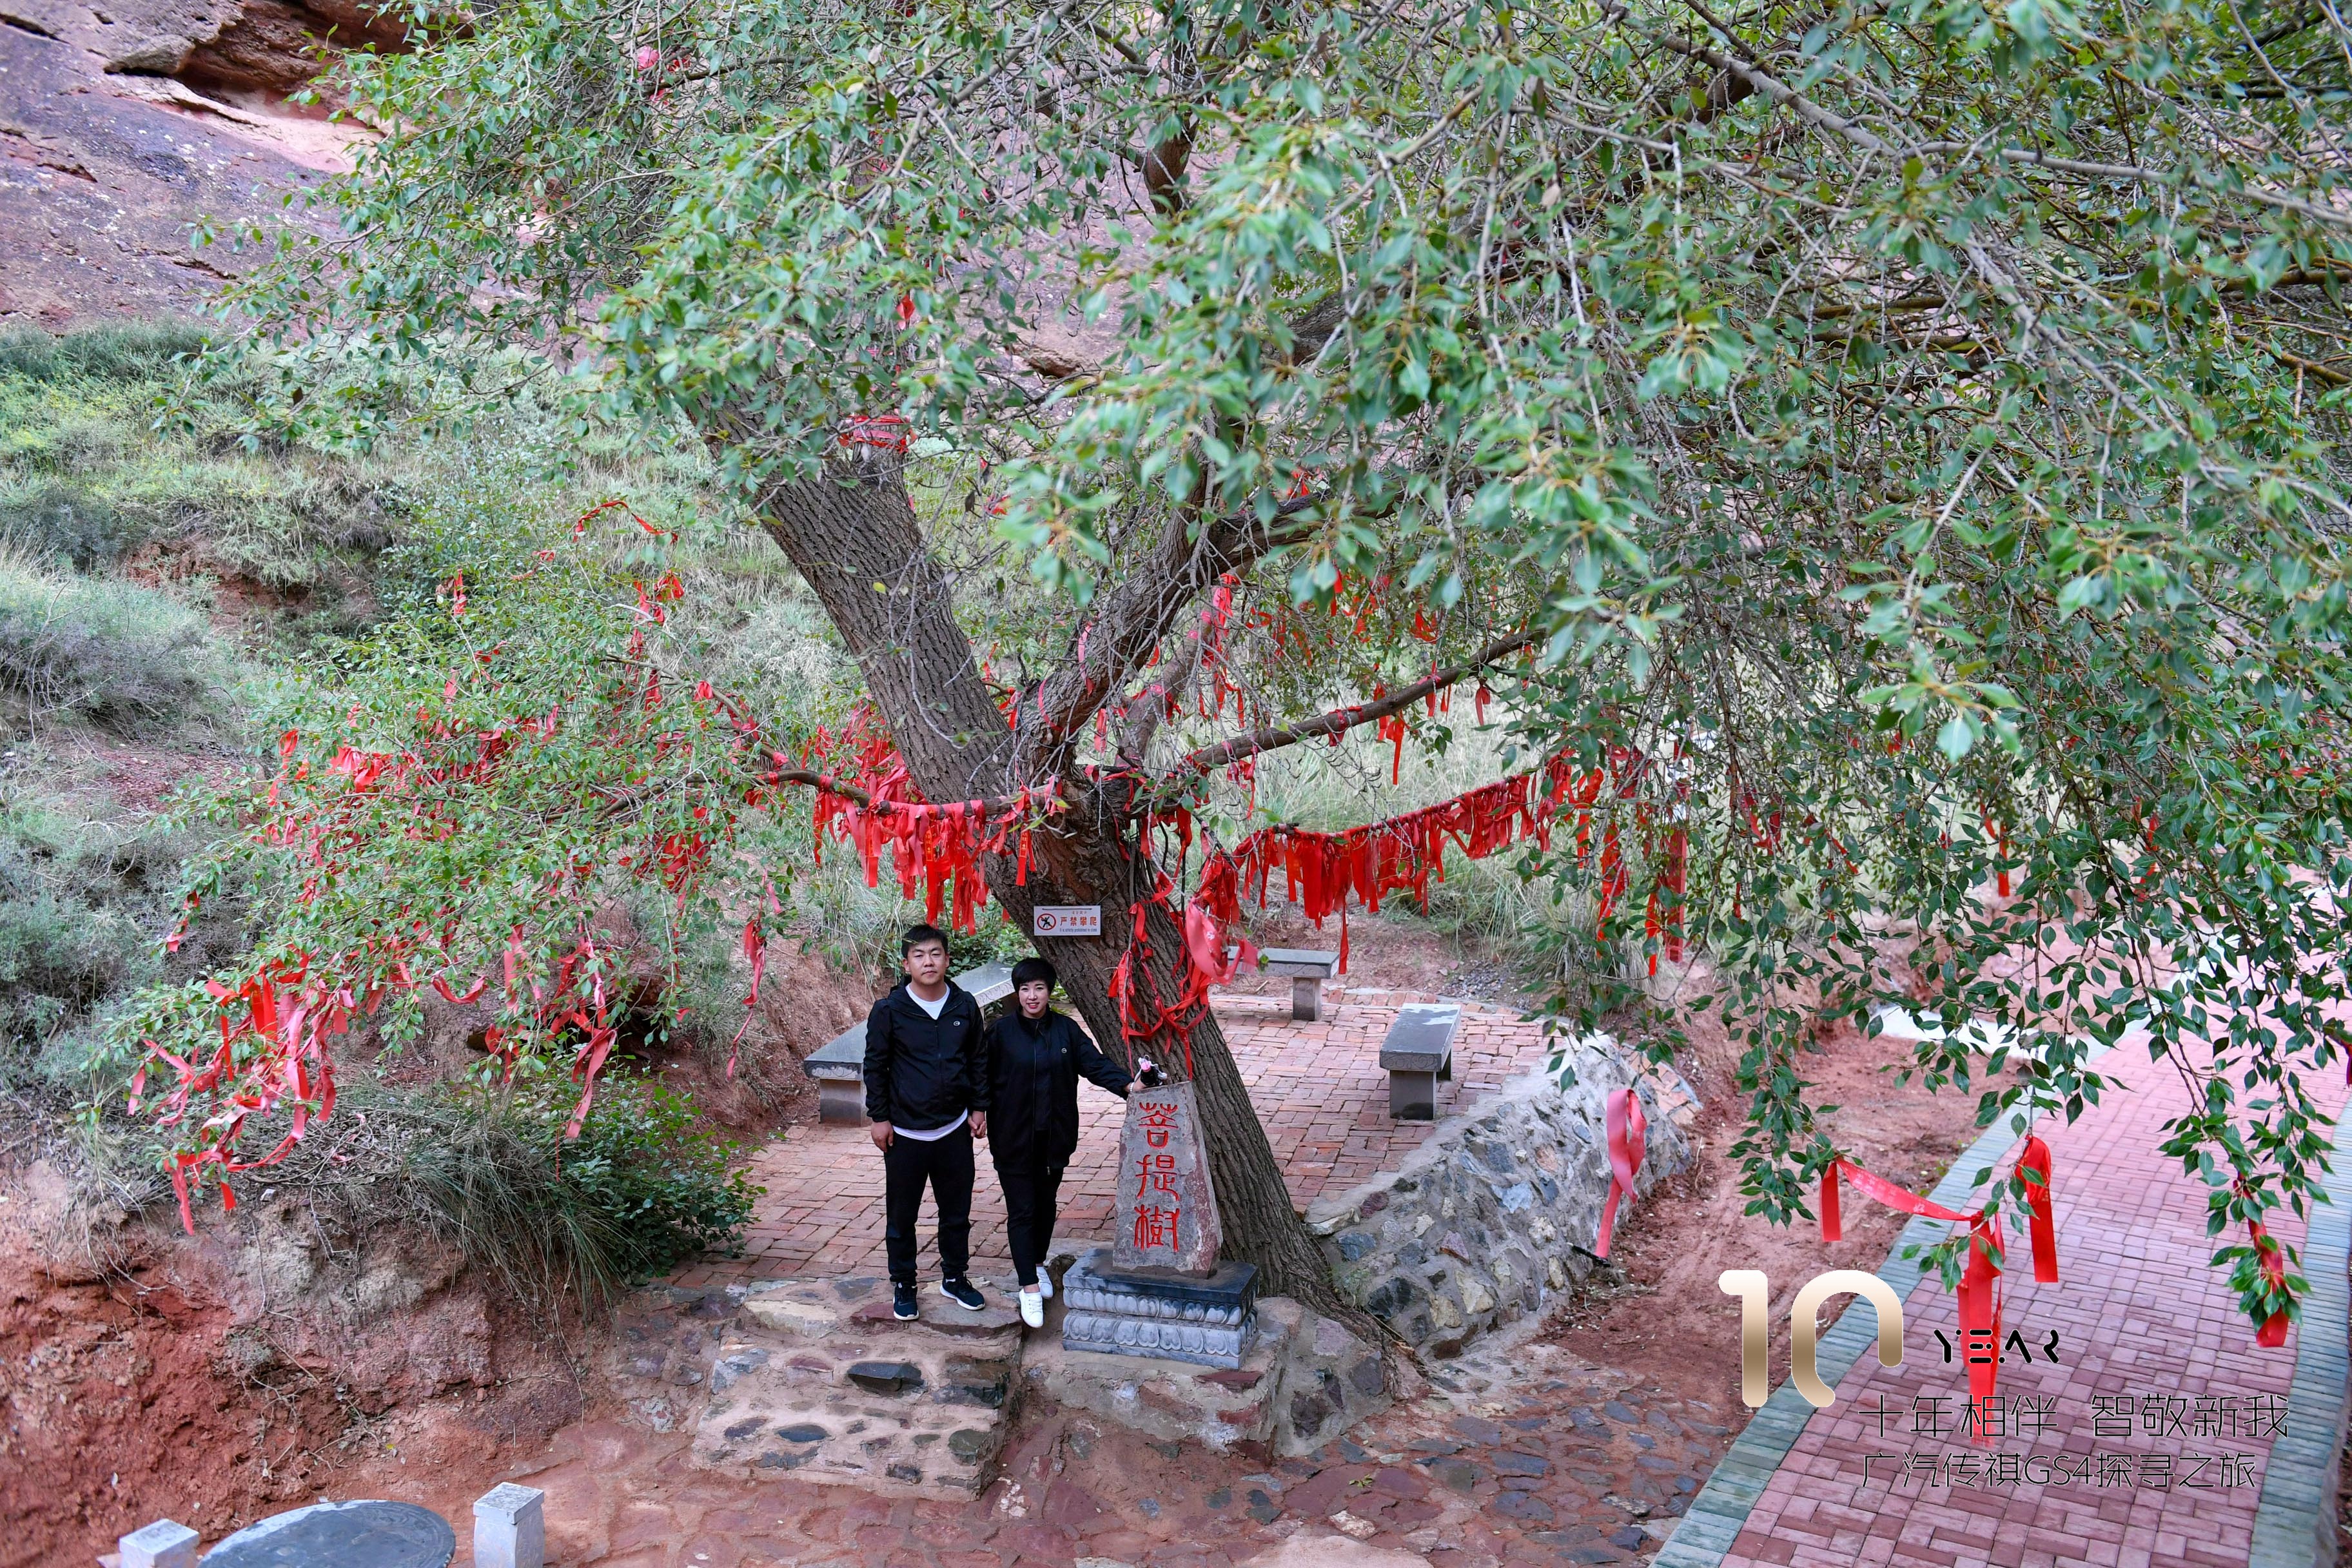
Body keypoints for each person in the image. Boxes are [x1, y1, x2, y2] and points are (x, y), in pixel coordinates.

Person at [979, 956, 1142, 1328]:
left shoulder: (1066, 1031)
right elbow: (980, 1077)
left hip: (1055, 1135)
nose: (1032, 996)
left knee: (1046, 1203)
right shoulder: (1001, 1033)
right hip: (1013, 1136)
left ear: (1049, 991)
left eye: (1039, 988)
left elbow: (1095, 1064)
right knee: (1022, 1208)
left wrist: (1128, 1086)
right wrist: (977, 1111)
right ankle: (1028, 1287)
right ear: (1017, 993)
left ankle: (1037, 1263)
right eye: (1024, 989)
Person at [863, 924, 990, 1321]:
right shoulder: (889, 1011)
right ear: (907, 964)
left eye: (935, 953)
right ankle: (904, 1283)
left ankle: (955, 1277)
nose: (928, 962)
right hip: (905, 1132)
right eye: (918, 955)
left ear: (947, 959)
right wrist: (880, 1117)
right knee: (903, 1216)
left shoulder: (963, 1006)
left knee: (956, 1212)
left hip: (954, 1129)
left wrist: (979, 1107)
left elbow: (978, 1060)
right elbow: (876, 1066)